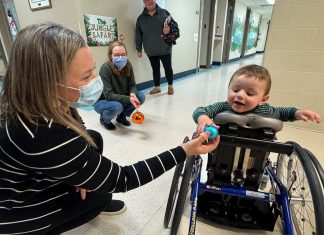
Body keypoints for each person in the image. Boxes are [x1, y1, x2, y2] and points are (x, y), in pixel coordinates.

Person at [0, 23, 220, 235]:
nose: (94, 80)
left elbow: (79, 131)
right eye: (86, 77)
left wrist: (80, 173)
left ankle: (80, 177)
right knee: (102, 194)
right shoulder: (41, 133)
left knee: (93, 138)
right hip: (15, 213)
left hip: (21, 178)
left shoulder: (28, 98)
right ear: (48, 82)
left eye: (92, 71)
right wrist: (186, 150)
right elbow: (122, 178)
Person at [193, 64, 321, 134]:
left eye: (249, 93)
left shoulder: (266, 110)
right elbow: (200, 110)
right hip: (223, 150)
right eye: (235, 90)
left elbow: (283, 112)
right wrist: (203, 117)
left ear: (263, 99)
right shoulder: (224, 106)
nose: (240, 95)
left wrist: (297, 113)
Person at [94, 41, 145, 130]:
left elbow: (132, 84)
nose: (120, 58)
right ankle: (105, 119)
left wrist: (132, 94)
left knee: (140, 96)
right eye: (117, 55)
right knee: (117, 106)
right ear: (110, 55)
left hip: (119, 97)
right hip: (104, 101)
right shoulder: (105, 68)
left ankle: (121, 116)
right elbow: (109, 95)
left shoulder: (128, 65)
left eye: (123, 54)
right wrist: (129, 99)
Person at [136, 0, 176, 95]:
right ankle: (157, 87)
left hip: (165, 48)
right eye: (147, 0)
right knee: (155, 69)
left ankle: (170, 86)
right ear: (144, 2)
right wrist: (139, 49)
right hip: (150, 49)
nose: (150, 1)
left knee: (168, 68)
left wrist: (169, 30)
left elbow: (174, 27)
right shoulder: (141, 18)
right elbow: (138, 35)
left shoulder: (165, 13)